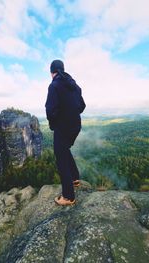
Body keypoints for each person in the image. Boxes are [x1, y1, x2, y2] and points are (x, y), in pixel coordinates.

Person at [45, 59, 86, 206]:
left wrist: (53, 123)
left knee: (60, 158)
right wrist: (72, 112)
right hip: (75, 126)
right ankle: (75, 178)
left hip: (62, 127)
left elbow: (50, 110)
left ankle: (68, 196)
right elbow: (82, 106)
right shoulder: (74, 85)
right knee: (64, 149)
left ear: (52, 72)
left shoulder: (54, 85)